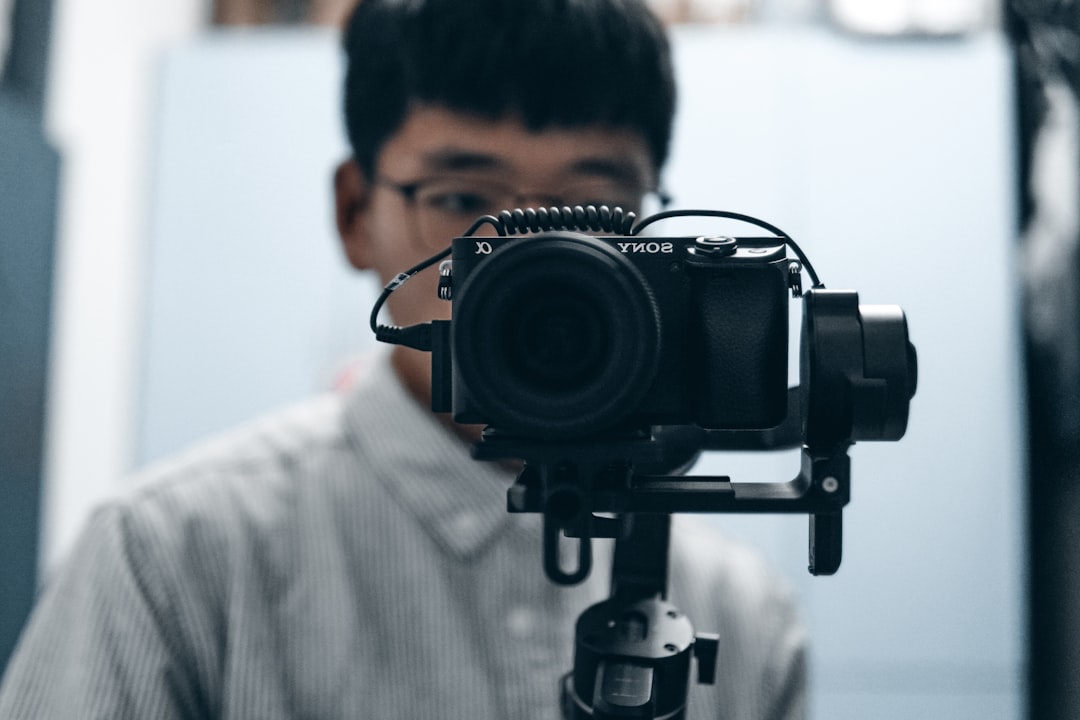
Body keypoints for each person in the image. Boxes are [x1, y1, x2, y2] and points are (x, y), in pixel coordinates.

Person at [0, 0, 806, 717]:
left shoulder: (736, 611)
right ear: (356, 215)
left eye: (590, 212)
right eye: (461, 200)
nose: (533, 269)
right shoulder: (170, 562)